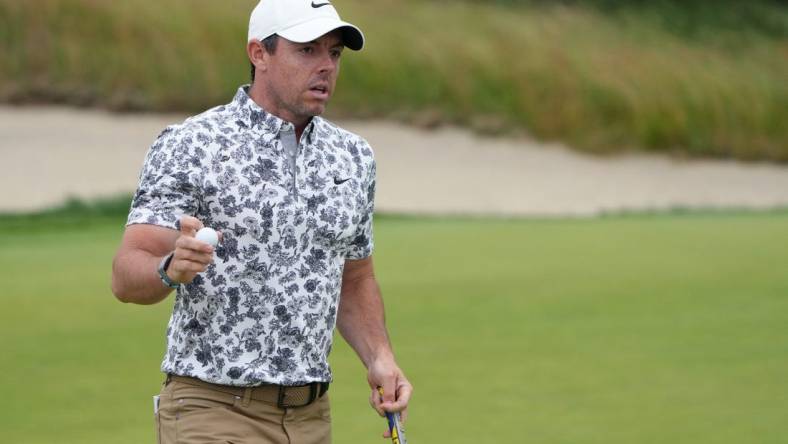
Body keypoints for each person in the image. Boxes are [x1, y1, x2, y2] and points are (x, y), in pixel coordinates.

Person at [110, 0, 412, 442]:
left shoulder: (352, 156)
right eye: (307, 50)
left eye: (334, 53)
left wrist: (379, 356)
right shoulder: (193, 144)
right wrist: (169, 268)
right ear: (259, 54)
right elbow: (125, 274)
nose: (326, 66)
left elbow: (354, 276)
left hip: (310, 417)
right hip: (211, 408)